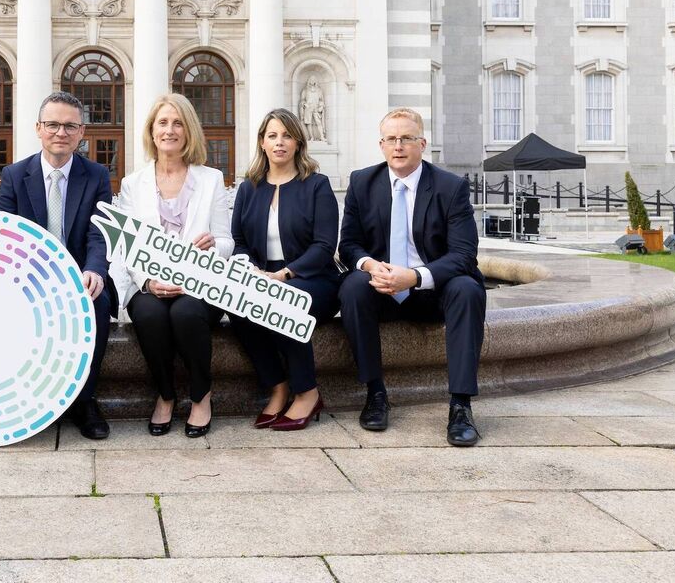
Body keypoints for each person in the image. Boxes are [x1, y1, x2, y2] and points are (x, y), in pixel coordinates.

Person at [337, 107, 486, 446]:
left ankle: (460, 405)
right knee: (352, 287)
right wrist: (370, 266)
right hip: (382, 287)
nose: (398, 146)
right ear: (381, 145)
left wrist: (415, 277)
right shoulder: (362, 182)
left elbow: (464, 255)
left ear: (422, 143)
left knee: (467, 289)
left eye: (406, 138)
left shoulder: (450, 187)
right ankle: (375, 393)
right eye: (391, 139)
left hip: (434, 290)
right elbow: (348, 245)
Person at [111, 93, 233, 438]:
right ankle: (165, 395)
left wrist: (212, 245)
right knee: (149, 314)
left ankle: (200, 395)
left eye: (177, 123)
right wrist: (148, 281)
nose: (169, 130)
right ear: (151, 132)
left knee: (185, 313)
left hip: (199, 283)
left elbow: (227, 241)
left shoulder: (211, 179)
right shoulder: (133, 184)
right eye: (162, 123)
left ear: (188, 130)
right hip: (148, 282)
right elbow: (128, 245)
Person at [0, 92, 115, 440]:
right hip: (27, 276)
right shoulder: (15, 175)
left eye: (69, 126)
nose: (60, 132)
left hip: (80, 276)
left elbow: (100, 233)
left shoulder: (96, 175)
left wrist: (95, 270)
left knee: (99, 302)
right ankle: (28, 399)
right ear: (38, 128)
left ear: (82, 132)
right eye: (52, 124)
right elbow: (7, 236)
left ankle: (85, 400)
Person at [229, 108, 344, 431]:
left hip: (313, 278)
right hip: (263, 275)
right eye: (272, 136)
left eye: (286, 135)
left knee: (282, 299)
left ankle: (307, 392)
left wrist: (284, 275)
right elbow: (238, 241)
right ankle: (278, 387)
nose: (279, 142)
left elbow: (324, 246)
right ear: (262, 143)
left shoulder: (316, 185)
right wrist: (251, 271)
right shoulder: (248, 188)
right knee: (235, 302)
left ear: (297, 142)